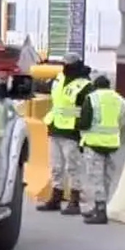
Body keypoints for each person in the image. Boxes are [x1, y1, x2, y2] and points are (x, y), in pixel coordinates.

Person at [37, 53, 93, 215]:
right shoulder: (60, 78)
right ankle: (56, 197)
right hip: (55, 127)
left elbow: (87, 110)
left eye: (68, 64)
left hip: (72, 130)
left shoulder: (84, 84)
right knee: (56, 165)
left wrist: (83, 129)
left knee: (72, 166)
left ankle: (74, 200)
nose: (65, 67)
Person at [77, 74, 125, 225]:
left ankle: (100, 211)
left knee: (96, 177)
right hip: (112, 143)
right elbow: (121, 115)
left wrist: (78, 127)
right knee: (107, 177)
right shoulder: (119, 99)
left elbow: (85, 122)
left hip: (94, 143)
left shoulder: (91, 98)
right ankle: (101, 206)